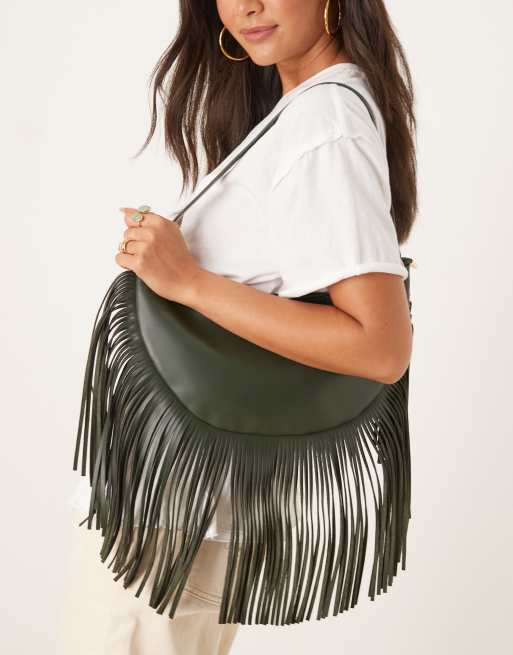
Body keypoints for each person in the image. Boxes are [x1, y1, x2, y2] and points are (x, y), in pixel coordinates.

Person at [59, 0, 417, 652]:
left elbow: (379, 345)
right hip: (172, 513)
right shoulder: (305, 111)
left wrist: (188, 281)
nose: (246, 5)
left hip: (165, 526)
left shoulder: (324, 122)